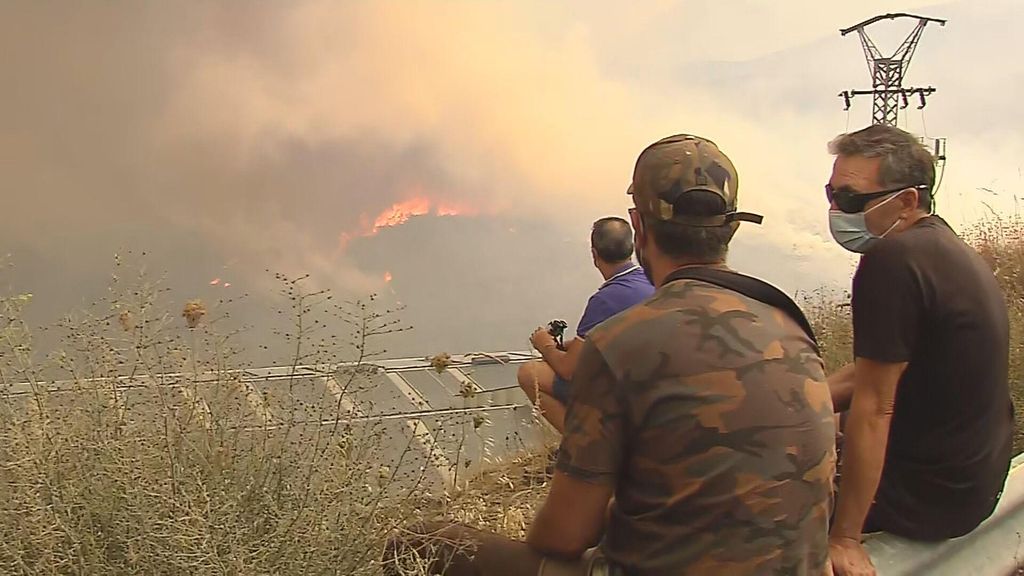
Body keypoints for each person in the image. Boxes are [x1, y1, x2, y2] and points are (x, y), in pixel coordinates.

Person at [383, 134, 836, 576]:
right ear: (732, 226)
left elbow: (563, 536)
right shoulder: (789, 322)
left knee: (419, 542)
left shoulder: (620, 342)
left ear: (638, 226)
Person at [823, 124, 1015, 576]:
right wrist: (798, 400)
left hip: (925, 504)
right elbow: (874, 372)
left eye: (850, 200)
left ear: (907, 201)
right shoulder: (946, 248)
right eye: (830, 193)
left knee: (744, 490)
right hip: (973, 489)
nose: (834, 210)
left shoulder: (892, 261)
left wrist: (844, 537)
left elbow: (875, 405)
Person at [518, 217, 653, 433]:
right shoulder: (650, 280)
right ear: (632, 248)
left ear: (594, 254)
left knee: (529, 373)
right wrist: (570, 346)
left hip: (624, 396)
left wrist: (544, 344)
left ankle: (579, 448)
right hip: (650, 388)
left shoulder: (606, 300)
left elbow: (568, 370)